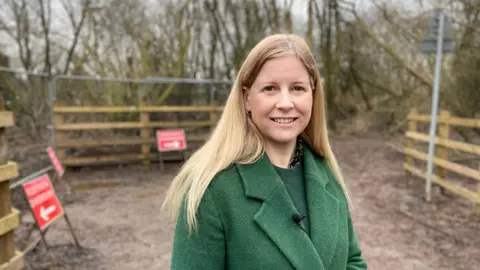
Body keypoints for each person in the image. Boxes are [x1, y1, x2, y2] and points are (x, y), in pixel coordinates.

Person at [162, 34, 367, 270]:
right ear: (246, 98)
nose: (285, 103)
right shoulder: (210, 190)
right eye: (270, 88)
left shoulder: (327, 173)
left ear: (313, 95)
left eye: (298, 88)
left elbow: (352, 261)